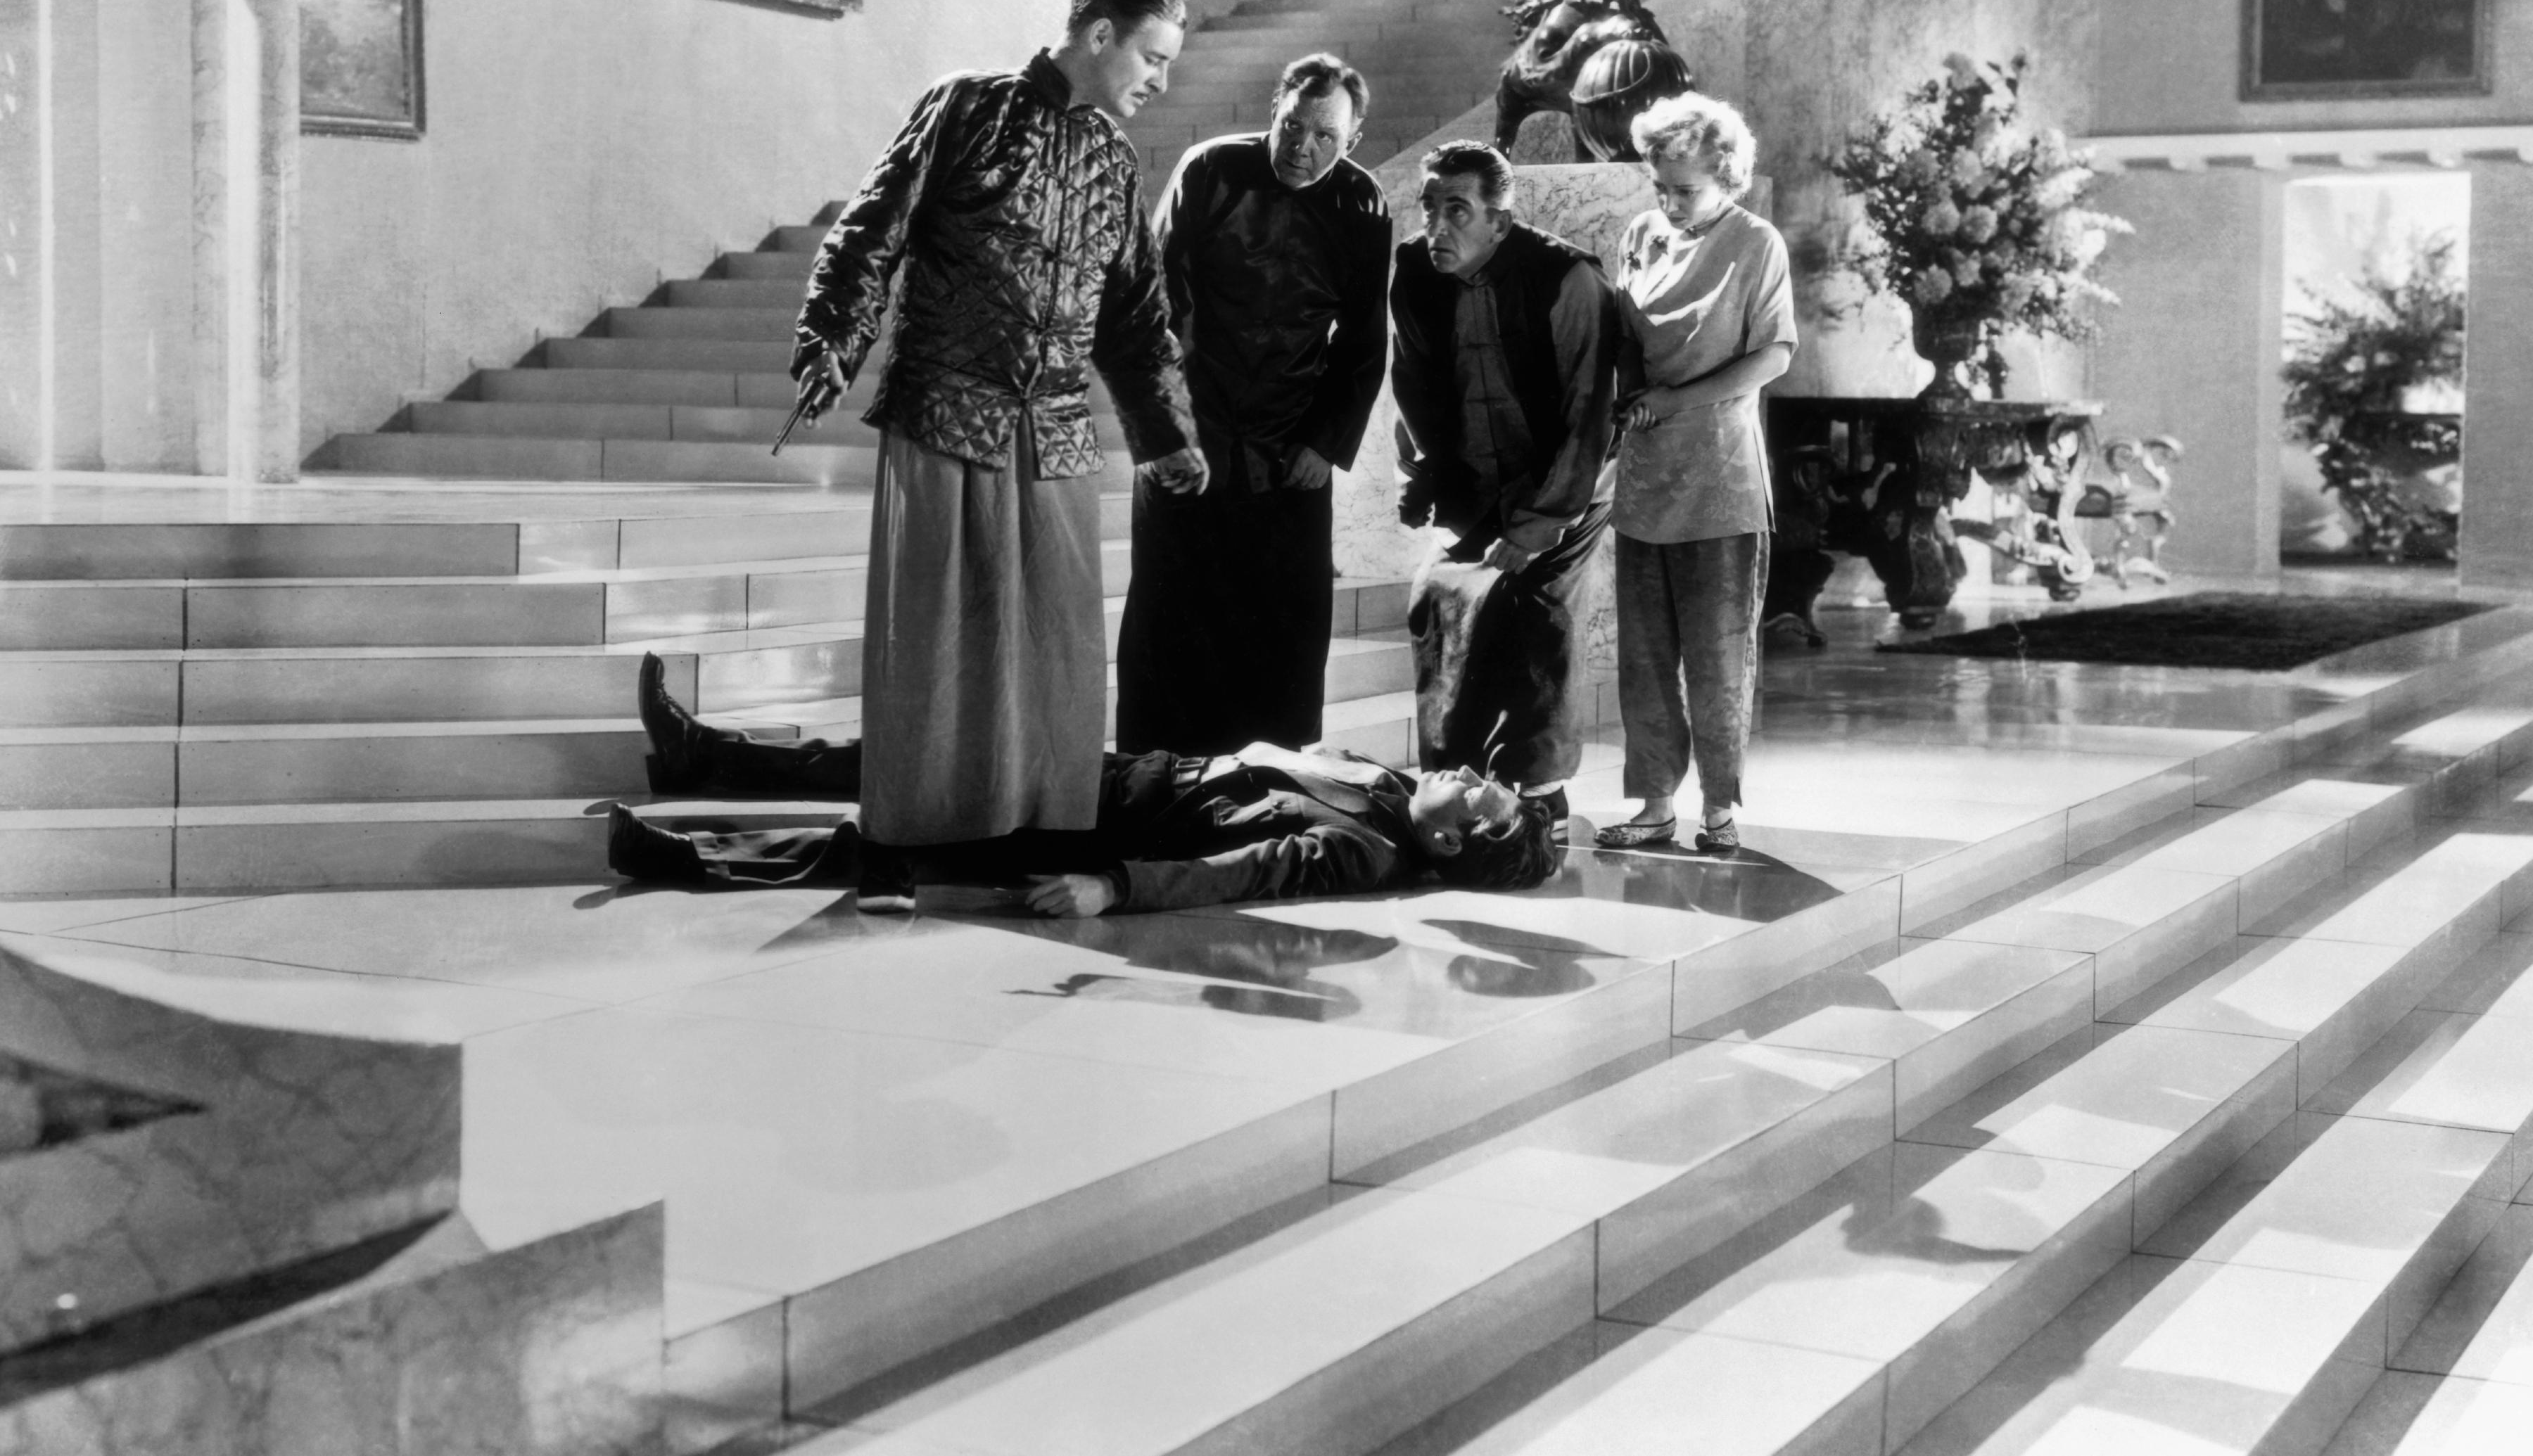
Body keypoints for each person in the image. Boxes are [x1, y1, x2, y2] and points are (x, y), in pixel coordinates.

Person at [787, 0, 1205, 849]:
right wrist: (834, 338)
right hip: (946, 410)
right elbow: (875, 228)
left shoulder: (1113, 159)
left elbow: (1134, 314)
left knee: (1055, 645)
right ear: (1101, 36)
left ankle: (1037, 825)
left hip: (1053, 433)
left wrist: (1167, 431)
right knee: (938, 643)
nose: (1161, 81)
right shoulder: (967, 106)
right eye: (1153, 58)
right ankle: (921, 833)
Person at [604, 653, 1560, 912]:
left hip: (1091, 831)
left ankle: (683, 858)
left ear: (1449, 844)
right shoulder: (1386, 783)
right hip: (1115, 773)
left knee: (885, 847)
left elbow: (1246, 872)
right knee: (914, 756)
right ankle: (709, 756)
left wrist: (1115, 887)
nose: (1472, 772)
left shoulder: (1365, 849)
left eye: (1482, 799)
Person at [1115, 53, 1392, 756]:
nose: (1303, 147)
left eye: (1326, 136)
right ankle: (1155, 780)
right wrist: (1166, 434)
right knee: (1170, 622)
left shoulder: (1362, 204)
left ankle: (1269, 782)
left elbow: (1362, 344)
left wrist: (1326, 443)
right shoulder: (1210, 169)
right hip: (1193, 437)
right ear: (1275, 107)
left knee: (1283, 634)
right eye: (1293, 125)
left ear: (1352, 141)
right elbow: (1156, 309)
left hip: (1290, 445)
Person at [1388, 139, 1618, 828]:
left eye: (1457, 210)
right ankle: (1449, 780)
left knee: (1538, 611)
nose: (1437, 227)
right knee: (1437, 597)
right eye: (1430, 207)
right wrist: (1425, 470)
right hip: (1478, 485)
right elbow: (1413, 386)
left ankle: (1538, 792)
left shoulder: (1569, 279)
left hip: (1567, 485)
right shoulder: (1412, 272)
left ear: (1499, 219)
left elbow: (1592, 415)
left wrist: (1541, 519)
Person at [1595, 94, 1796, 856]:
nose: (1670, 203)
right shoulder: (1641, 237)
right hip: (1648, 473)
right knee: (1644, 656)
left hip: (1721, 476)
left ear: (1727, 177)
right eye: (1661, 186)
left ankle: (1719, 809)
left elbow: (1774, 354)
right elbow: (1623, 343)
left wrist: (1675, 398)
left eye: (1686, 189)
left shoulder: (1756, 244)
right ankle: (1652, 805)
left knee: (1716, 655)